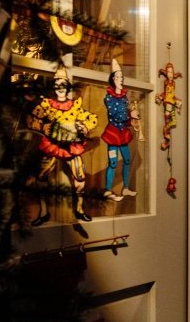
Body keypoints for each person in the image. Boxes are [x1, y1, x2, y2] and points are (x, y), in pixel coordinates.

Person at [29, 65, 98, 224]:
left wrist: (84, 127)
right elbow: (32, 121)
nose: (60, 88)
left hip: (71, 146)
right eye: (57, 83)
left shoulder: (75, 105)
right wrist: (43, 127)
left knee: (80, 176)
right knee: (41, 176)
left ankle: (79, 209)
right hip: (52, 144)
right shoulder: (46, 104)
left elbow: (91, 118)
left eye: (64, 84)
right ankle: (44, 211)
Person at [102, 59, 137, 201]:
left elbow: (125, 116)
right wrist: (130, 115)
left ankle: (126, 187)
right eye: (118, 77)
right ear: (113, 79)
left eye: (122, 77)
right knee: (114, 162)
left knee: (127, 160)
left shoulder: (124, 97)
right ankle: (108, 190)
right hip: (113, 134)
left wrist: (132, 120)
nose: (121, 80)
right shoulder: (109, 98)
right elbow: (115, 115)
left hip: (123, 134)